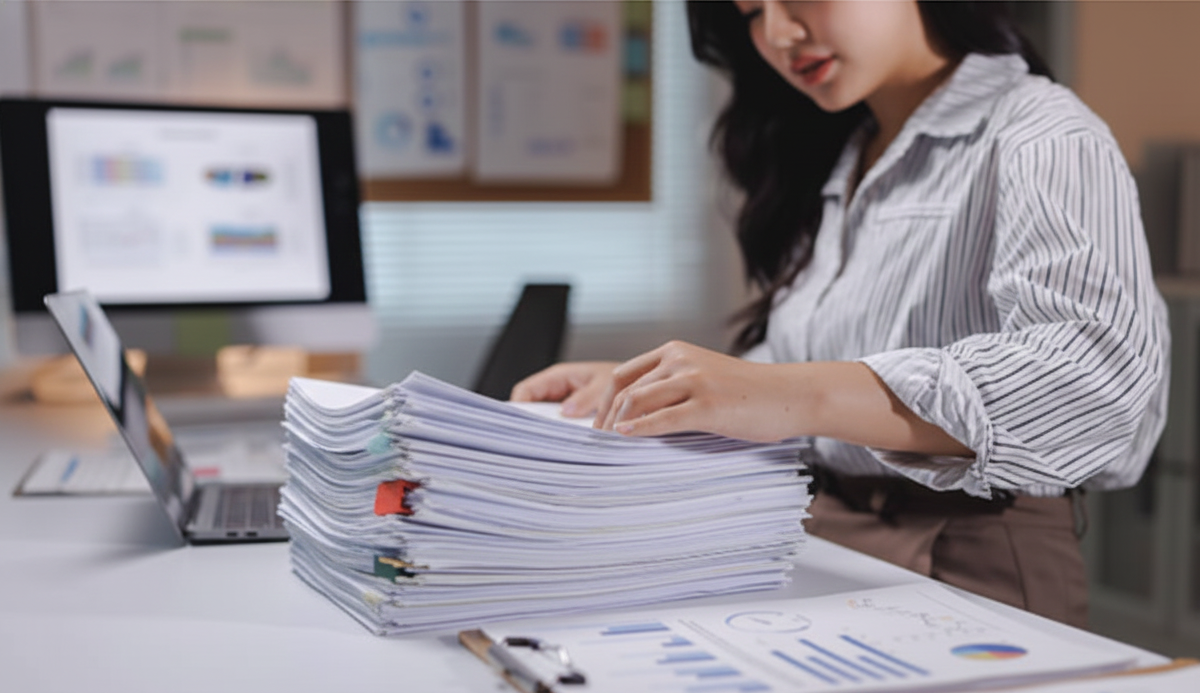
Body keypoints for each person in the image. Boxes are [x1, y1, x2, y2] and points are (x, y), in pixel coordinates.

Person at [511, 0, 1168, 629]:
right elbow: (817, 363)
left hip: (968, 544)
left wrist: (788, 392)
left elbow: (1096, 383)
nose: (779, 33)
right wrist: (656, 387)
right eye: (750, 15)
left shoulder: (1042, 131)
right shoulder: (848, 150)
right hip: (820, 532)